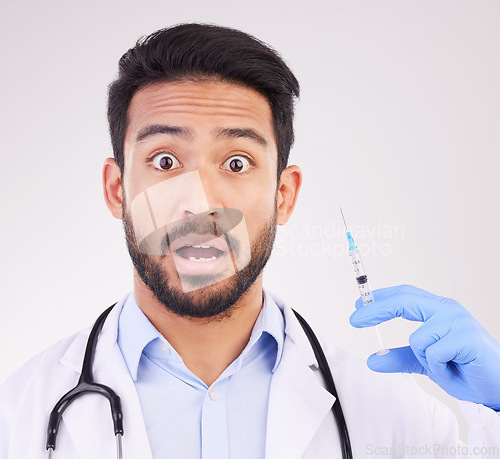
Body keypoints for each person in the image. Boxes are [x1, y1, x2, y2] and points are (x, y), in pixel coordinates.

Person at [1, 23, 499, 459]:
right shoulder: (19, 412)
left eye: (236, 163)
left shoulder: (393, 414)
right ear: (116, 189)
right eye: (166, 161)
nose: (198, 203)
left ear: (283, 195)